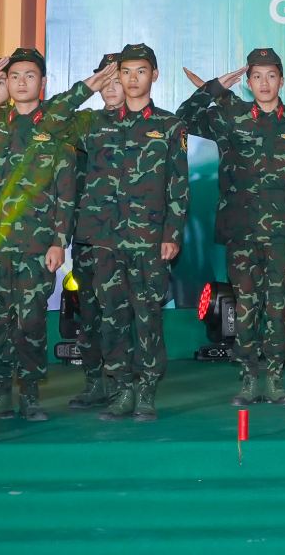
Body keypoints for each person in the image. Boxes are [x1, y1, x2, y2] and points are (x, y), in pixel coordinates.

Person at [0, 47, 110, 420]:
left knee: (31, 322)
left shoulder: (55, 128)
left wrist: (59, 242)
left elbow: (65, 193)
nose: (21, 83)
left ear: (43, 83)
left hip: (35, 244)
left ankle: (30, 395)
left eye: (30, 76)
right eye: (14, 76)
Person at [180, 49, 285, 407]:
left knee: (278, 308)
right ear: (248, 81)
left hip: (284, 234)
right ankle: (247, 378)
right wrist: (213, 88)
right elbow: (183, 119)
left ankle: (273, 378)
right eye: (256, 76)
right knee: (244, 308)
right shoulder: (231, 116)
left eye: (271, 76)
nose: (264, 83)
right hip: (241, 232)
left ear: (282, 81)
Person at [71, 43, 189, 422]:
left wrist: (172, 234)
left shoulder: (170, 125)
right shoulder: (93, 124)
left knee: (148, 316)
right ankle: (121, 388)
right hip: (104, 239)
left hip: (149, 240)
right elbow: (50, 121)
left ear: (154, 75)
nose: (133, 78)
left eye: (141, 71)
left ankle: (146, 390)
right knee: (112, 316)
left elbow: (178, 185)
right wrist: (90, 86)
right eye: (125, 71)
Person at [64, 55, 123, 410]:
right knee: (89, 311)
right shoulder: (86, 122)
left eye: (118, 79)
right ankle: (95, 382)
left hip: (129, 237)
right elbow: (53, 119)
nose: (111, 88)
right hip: (89, 234)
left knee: (123, 312)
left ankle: (122, 382)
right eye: (105, 81)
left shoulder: (144, 124)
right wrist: (86, 88)